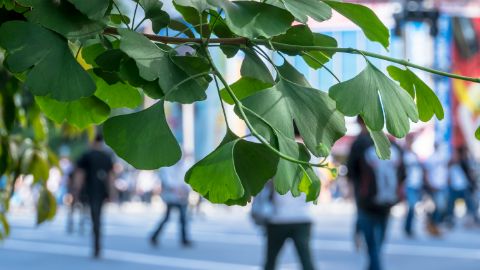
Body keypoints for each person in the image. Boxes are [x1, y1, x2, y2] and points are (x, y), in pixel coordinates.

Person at [347, 118, 404, 270]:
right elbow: (403, 173)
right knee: (378, 245)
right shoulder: (393, 144)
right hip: (387, 202)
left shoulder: (359, 144)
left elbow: (351, 174)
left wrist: (353, 196)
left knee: (372, 246)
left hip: (365, 202)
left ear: (360, 123)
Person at [253, 181, 315, 270]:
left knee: (271, 261)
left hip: (279, 218)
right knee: (306, 260)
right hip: (299, 217)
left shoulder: (276, 167)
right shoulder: (310, 168)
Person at [75, 133, 114, 258]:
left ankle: (96, 244)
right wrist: (112, 192)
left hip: (89, 190)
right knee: (98, 217)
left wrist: (76, 190)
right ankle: (97, 243)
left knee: (94, 217)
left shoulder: (86, 155)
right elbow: (110, 177)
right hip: (102, 191)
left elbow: (79, 175)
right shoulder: (107, 156)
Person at [150, 157, 192, 247]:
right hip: (171, 197)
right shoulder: (167, 166)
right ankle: (154, 236)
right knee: (167, 218)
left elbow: (186, 181)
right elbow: (168, 182)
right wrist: (178, 190)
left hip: (182, 197)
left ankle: (184, 239)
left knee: (183, 219)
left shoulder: (184, 165)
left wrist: (184, 190)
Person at [445, 146, 479, 227]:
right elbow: (447, 176)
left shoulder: (463, 163)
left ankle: (473, 219)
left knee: (471, 204)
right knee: (450, 204)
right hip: (453, 187)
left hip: (464, 187)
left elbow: (470, 174)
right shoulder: (450, 164)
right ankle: (449, 220)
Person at [424, 143, 450, 236]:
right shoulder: (431, 158)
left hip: (442, 185)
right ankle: (433, 224)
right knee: (439, 206)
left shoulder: (443, 157)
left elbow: (446, 170)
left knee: (441, 207)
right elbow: (426, 172)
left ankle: (432, 224)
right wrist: (430, 184)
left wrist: (447, 181)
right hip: (434, 186)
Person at [402, 134, 425, 237]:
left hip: (417, 184)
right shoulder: (404, 154)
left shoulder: (414, 154)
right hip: (409, 184)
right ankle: (408, 228)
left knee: (414, 207)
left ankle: (409, 227)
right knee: (411, 206)